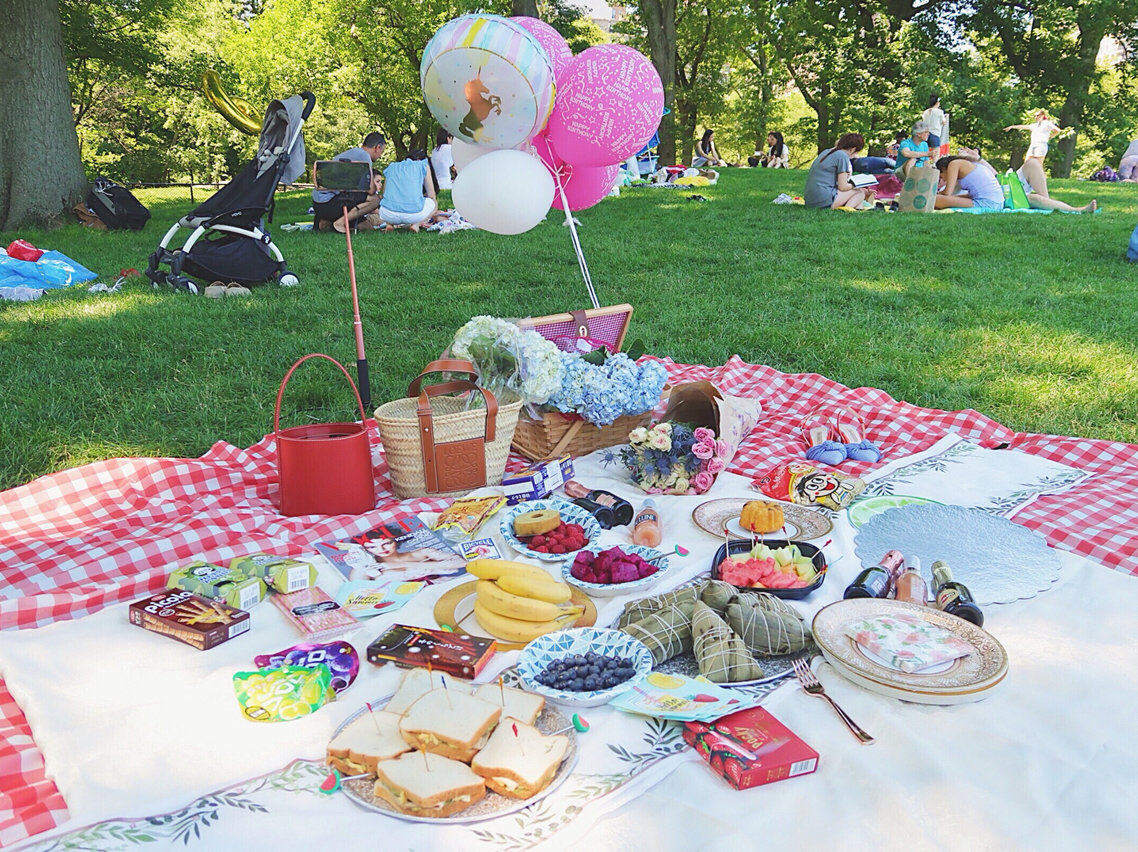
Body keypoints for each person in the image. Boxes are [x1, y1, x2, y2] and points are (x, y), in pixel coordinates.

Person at [312, 131, 385, 233]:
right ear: (377, 147)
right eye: (382, 152)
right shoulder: (364, 157)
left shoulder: (353, 153)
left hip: (318, 205)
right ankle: (340, 223)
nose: (380, 156)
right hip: (331, 204)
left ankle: (325, 222)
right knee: (375, 200)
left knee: (367, 227)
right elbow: (371, 191)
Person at [803, 133, 875, 209]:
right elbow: (843, 187)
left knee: (858, 199)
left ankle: (858, 209)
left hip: (810, 200)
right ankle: (846, 209)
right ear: (853, 149)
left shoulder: (827, 151)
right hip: (822, 200)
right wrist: (855, 185)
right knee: (860, 193)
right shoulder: (842, 156)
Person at [379, 149, 437, 232]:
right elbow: (431, 195)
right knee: (433, 202)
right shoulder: (423, 165)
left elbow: (384, 194)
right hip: (413, 215)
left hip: (387, 214)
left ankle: (389, 224)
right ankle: (416, 224)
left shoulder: (392, 166)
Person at [932, 155, 1004, 210]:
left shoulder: (954, 164)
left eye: (941, 176)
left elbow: (947, 193)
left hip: (988, 204)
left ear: (944, 169)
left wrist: (934, 194)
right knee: (943, 199)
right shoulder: (972, 164)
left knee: (935, 199)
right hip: (999, 203)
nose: (943, 179)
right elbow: (975, 194)